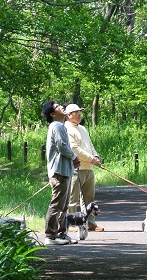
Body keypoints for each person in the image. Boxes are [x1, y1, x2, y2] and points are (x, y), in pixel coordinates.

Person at [42, 100, 81, 245]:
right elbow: (62, 146)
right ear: (52, 114)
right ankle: (50, 236)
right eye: (57, 107)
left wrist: (72, 161)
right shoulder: (56, 125)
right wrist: (74, 157)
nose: (62, 107)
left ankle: (61, 233)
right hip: (58, 171)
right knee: (57, 204)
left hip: (65, 170)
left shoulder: (61, 126)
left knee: (64, 205)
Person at [64, 103, 104, 232]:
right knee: (72, 198)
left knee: (89, 198)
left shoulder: (82, 128)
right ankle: (72, 223)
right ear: (69, 115)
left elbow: (90, 145)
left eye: (80, 112)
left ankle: (90, 222)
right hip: (76, 168)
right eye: (76, 112)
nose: (79, 114)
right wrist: (91, 158)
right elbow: (75, 149)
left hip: (89, 168)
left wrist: (95, 156)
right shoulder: (66, 129)